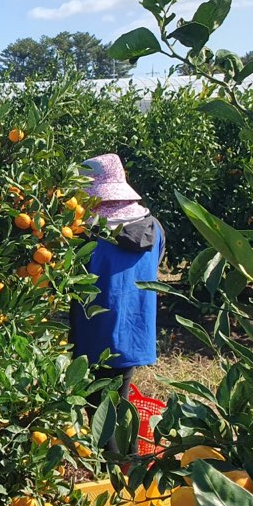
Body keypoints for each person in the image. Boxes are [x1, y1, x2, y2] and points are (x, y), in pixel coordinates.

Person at [70, 153, 164, 420]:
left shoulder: (88, 236)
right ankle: (123, 460)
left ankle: (119, 462)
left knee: (101, 417)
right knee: (117, 409)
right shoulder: (155, 229)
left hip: (95, 338)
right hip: (135, 335)